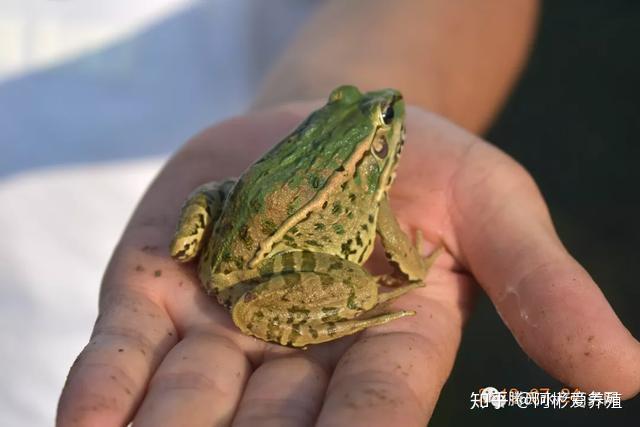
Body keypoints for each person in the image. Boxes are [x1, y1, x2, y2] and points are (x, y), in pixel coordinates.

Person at [57, 1, 640, 425]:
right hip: (250, 280)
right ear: (375, 153)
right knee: (363, 292)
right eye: (380, 126)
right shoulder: (374, 191)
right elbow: (407, 268)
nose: (388, 110)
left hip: (228, 238)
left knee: (219, 189)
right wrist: (410, 270)